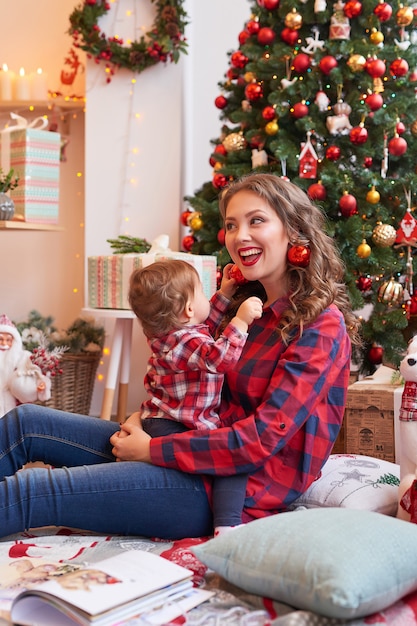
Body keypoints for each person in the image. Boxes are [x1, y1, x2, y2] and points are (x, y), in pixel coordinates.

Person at [0, 173, 361, 540]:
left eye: (256, 221)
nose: (240, 237)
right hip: (189, 447)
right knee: (25, 424)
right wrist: (144, 419)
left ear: (294, 230)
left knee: (35, 491)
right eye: (232, 225)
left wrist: (153, 450)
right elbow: (187, 381)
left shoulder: (320, 327)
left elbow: (257, 443)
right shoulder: (245, 310)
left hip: (229, 490)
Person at [127, 258, 263, 535]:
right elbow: (219, 358)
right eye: (201, 292)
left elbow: (204, 326)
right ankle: (226, 525)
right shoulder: (186, 342)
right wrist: (241, 321)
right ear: (188, 309)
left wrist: (223, 294)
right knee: (231, 461)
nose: (206, 298)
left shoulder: (173, 333)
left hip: (161, 417)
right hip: (175, 424)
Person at [0, 313, 51, 417]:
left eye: (8, 340)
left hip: (14, 399)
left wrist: (40, 384)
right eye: (0, 339)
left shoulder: (22, 356)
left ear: (14, 341)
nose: (4, 343)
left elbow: (33, 371)